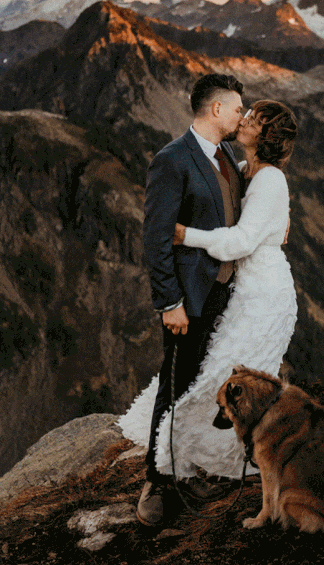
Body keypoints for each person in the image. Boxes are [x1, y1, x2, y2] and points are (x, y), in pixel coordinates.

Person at [119, 96, 299, 525]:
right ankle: (176, 465)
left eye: (253, 117)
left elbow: (239, 241)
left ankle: (180, 465)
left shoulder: (270, 178)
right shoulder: (244, 169)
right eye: (245, 110)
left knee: (220, 381)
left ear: (266, 134)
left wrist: (185, 235)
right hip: (242, 289)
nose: (246, 119)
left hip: (263, 295)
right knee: (209, 377)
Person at [119, 73, 246, 526]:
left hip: (225, 294)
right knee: (176, 385)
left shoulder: (227, 154)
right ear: (215, 109)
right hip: (189, 299)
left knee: (207, 384)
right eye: (236, 109)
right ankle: (157, 477)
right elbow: (156, 239)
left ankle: (192, 466)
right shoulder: (171, 160)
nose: (240, 116)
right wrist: (168, 302)